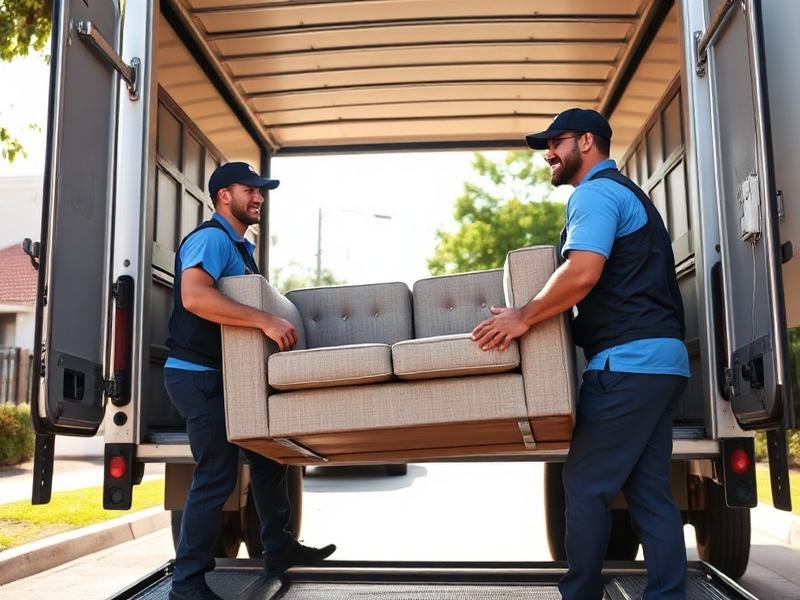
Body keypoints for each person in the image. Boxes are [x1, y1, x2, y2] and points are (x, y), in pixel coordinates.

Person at [471, 108, 689, 600]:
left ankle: (580, 595)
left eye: (557, 141)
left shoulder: (594, 195)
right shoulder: (634, 197)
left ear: (587, 141)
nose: (549, 153)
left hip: (628, 364)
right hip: (664, 362)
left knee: (586, 485)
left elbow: (583, 272)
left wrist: (523, 316)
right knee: (649, 493)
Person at [164, 161, 336, 600]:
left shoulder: (242, 249)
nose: (259, 197)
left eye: (261, 190)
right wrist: (265, 321)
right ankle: (187, 585)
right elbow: (194, 296)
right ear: (225, 195)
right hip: (197, 378)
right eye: (251, 189)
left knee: (267, 456)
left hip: (227, 379)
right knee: (216, 475)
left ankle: (277, 549)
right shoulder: (211, 239)